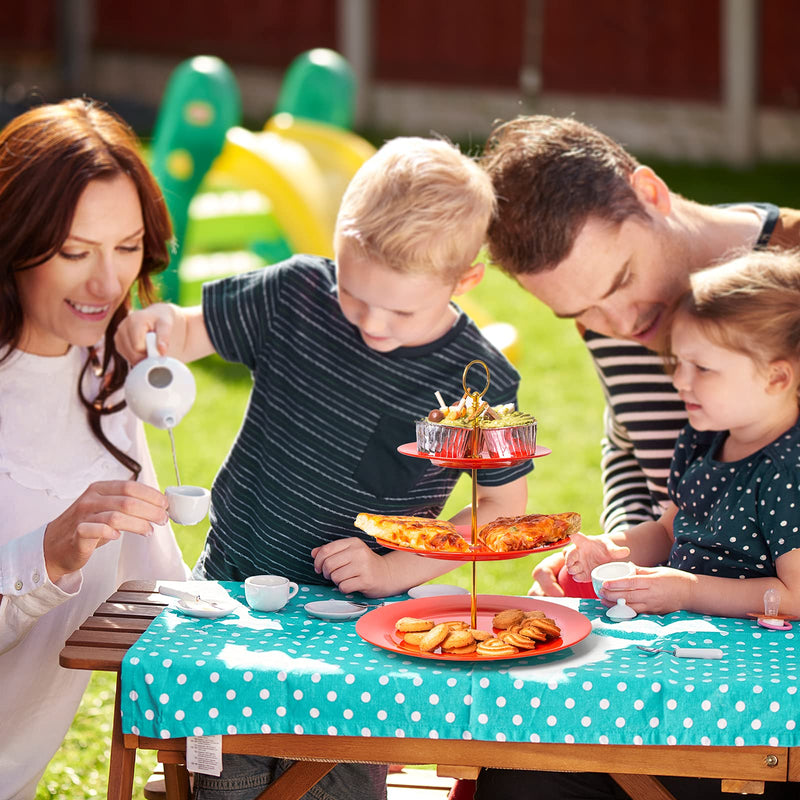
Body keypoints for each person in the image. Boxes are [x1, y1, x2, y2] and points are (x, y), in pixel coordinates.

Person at [115, 135, 531, 800]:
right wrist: (161, 326)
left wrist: (395, 569)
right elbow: (191, 332)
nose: (372, 324)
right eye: (356, 296)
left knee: (336, 784)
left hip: (361, 624)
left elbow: (503, 513)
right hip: (231, 593)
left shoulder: (479, 384)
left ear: (466, 280)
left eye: (401, 310)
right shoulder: (296, 293)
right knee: (222, 780)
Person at [473, 249, 800, 800]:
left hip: (748, 708)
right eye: (678, 362)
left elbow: (794, 596)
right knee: (516, 763)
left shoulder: (789, 470)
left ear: (776, 376)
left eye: (702, 368)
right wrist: (614, 545)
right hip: (685, 661)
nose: (680, 380)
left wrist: (688, 590)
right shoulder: (706, 437)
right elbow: (671, 529)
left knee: (538, 773)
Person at [479, 114, 800, 598]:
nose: (623, 327)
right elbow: (629, 441)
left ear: (650, 193)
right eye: (581, 313)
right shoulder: (607, 312)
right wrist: (611, 556)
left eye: (623, 279)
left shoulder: (788, 281)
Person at [0, 99, 187, 800]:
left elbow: (155, 593)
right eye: (76, 252)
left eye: (128, 247)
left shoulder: (110, 383)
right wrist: (46, 553)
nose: (108, 285)